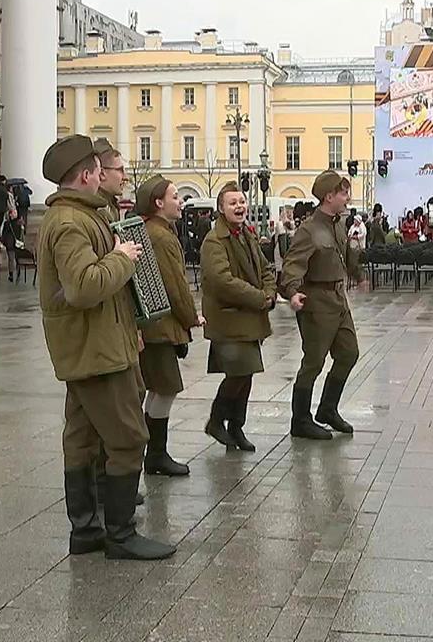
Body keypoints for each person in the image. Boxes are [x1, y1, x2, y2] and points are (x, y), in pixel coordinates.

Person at [37, 134, 174, 561]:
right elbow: (83, 286)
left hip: (92, 345)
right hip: (94, 350)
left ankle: (86, 532)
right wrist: (123, 257)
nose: (105, 174)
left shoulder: (79, 216)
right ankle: (120, 535)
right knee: (129, 438)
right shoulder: (70, 223)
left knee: (81, 439)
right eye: (99, 169)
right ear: (85, 174)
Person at [280, 170, 360, 440]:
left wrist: (357, 272)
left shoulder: (338, 223)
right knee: (313, 362)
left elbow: (344, 253)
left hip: (338, 300)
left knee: (349, 353)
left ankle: (327, 409)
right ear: (329, 196)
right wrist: (292, 292)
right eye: (343, 193)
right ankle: (300, 420)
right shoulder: (309, 230)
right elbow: (292, 264)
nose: (347, 198)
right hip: (317, 302)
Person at [135, 175, 203, 473]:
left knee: (158, 388)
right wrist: (192, 317)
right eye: (175, 197)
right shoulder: (161, 236)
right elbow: (174, 284)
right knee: (166, 388)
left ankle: (153, 455)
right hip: (159, 328)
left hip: (154, 325)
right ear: (159, 203)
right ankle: (155, 456)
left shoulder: (155, 230)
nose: (180, 202)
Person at [201, 181, 276, 450]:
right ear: (221, 208)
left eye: (242, 202)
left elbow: (266, 268)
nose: (239, 206)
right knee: (238, 373)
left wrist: (269, 291)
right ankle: (216, 419)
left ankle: (236, 427)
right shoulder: (215, 241)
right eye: (232, 203)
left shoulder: (247, 234)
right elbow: (222, 281)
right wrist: (259, 298)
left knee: (247, 374)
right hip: (229, 319)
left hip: (249, 318)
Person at [0, 209, 25, 283]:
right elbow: (4, 234)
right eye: (14, 213)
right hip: (11, 244)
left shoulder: (19, 222)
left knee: (17, 259)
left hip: (17, 244)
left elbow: (22, 233)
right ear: (10, 214)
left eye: (16, 212)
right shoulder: (7, 223)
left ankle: (17, 273)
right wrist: (4, 242)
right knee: (11, 259)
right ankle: (11, 274)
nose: (15, 214)